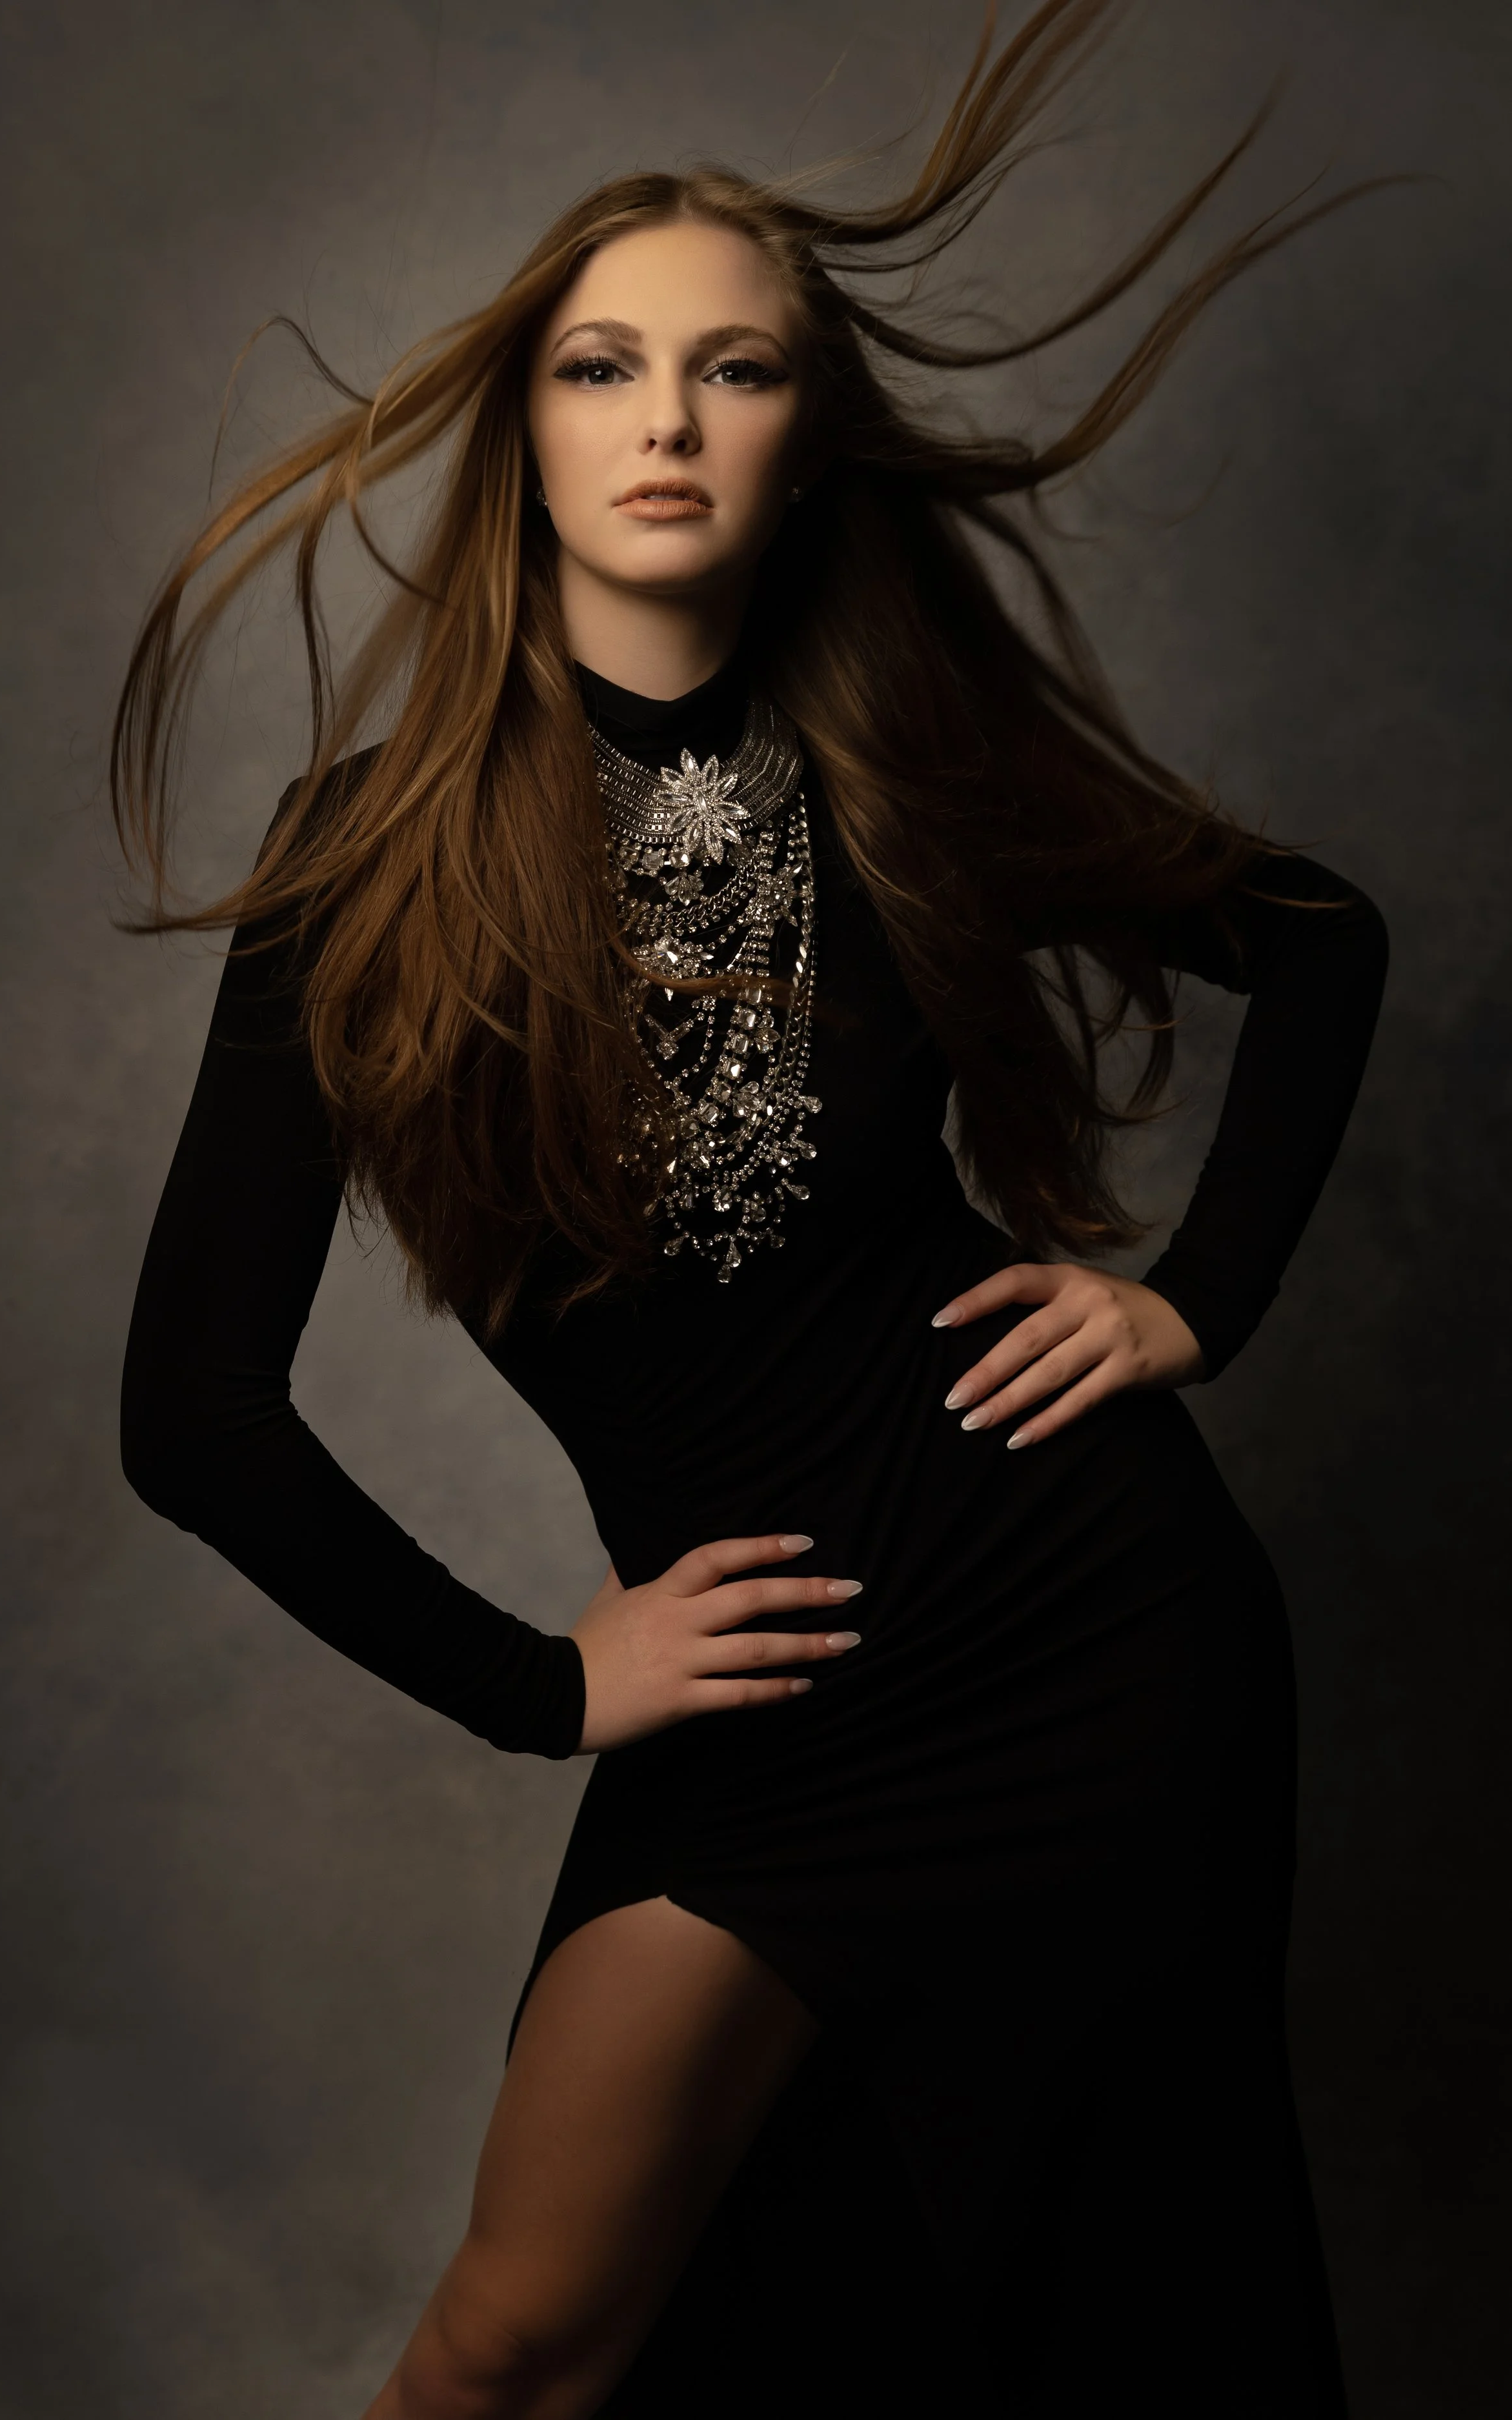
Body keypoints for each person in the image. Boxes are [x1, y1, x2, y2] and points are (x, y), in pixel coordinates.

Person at [116, 6, 1388, 2412]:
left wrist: (1189, 1303)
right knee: (520, 2341)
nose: (668, 421)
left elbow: (1317, 941)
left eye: (735, 372)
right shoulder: (364, 861)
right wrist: (545, 1684)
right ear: (527, 431)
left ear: (808, 450)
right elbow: (189, 1413)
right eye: (603, 367)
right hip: (767, 1711)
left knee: (1112, 2315)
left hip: (1090, 1641)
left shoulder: (907, 777)